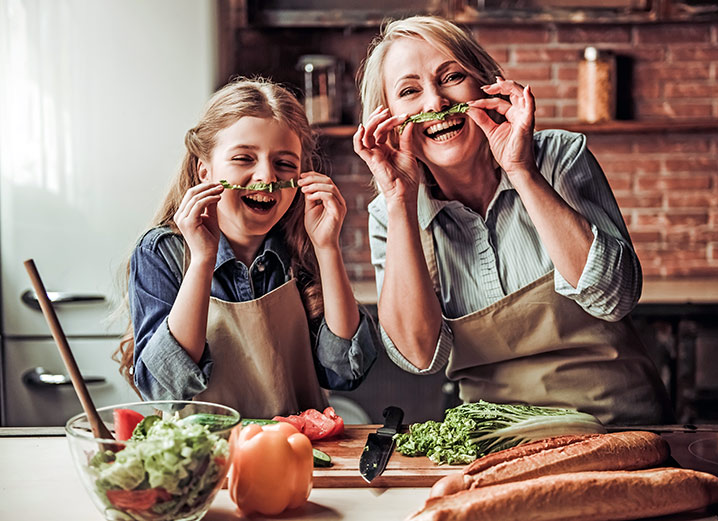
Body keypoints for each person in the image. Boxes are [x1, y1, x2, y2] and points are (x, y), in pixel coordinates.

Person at [353, 16, 673, 425]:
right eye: (409, 91)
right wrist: (399, 199)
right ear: (387, 120)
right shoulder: (390, 213)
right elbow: (418, 356)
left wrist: (521, 171)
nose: (434, 104)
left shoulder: (558, 158)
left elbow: (616, 297)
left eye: (450, 77)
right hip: (498, 442)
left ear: (487, 85)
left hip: (618, 426)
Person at [114, 77, 377, 418]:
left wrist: (327, 248)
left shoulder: (303, 243)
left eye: (284, 164)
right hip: (209, 458)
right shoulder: (162, 252)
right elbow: (167, 391)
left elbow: (345, 372)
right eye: (243, 159)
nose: (267, 177)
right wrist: (202, 261)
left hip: (297, 453)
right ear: (204, 172)